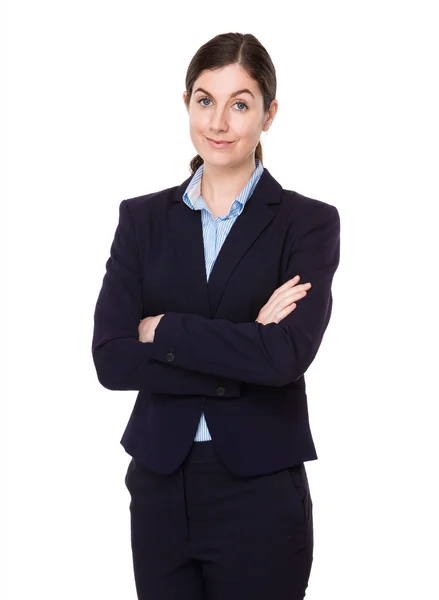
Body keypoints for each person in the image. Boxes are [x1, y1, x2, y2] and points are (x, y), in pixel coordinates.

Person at [92, 31, 340, 600]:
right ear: (186, 104)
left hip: (258, 491)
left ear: (269, 114)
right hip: (160, 487)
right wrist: (248, 339)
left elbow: (285, 357)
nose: (219, 122)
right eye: (205, 100)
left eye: (240, 103)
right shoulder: (142, 220)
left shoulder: (307, 224)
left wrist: (165, 330)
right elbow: (111, 359)